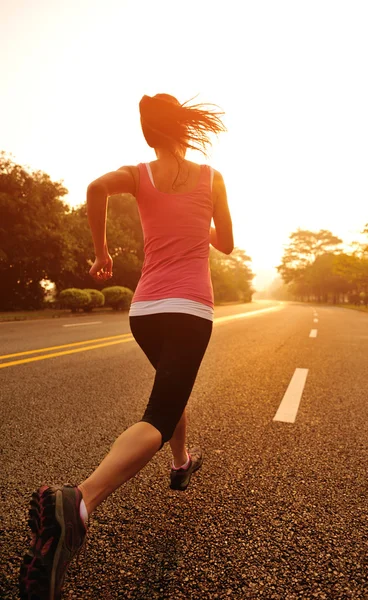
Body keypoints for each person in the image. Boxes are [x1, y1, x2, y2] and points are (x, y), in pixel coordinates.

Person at [19, 93, 234, 599]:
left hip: (145, 312)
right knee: (157, 415)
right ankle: (79, 503)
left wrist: (102, 253)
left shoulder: (137, 173)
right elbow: (225, 242)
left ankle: (181, 465)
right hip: (189, 310)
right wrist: (195, 223)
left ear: (147, 134)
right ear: (184, 128)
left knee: (170, 390)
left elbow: (95, 187)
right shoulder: (212, 177)